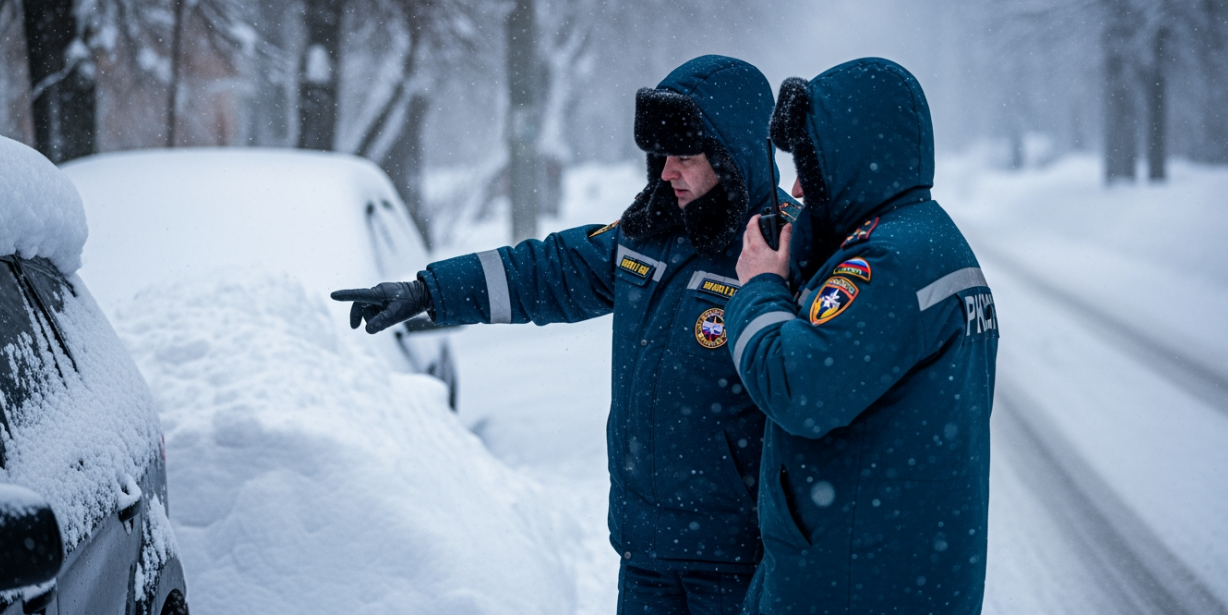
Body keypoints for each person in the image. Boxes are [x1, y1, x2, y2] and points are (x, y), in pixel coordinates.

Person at [332, 55, 788, 615]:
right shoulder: (648, 234)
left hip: (738, 560)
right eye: (662, 156)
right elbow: (546, 271)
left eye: (686, 157)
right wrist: (430, 291)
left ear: (733, 155)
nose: (668, 172)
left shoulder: (780, 252)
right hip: (644, 554)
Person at [726, 58, 998, 615]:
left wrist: (758, 288)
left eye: (809, 165)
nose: (797, 186)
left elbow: (798, 388)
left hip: (854, 580)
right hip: (902, 569)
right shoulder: (931, 238)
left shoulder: (887, 263)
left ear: (851, 160)